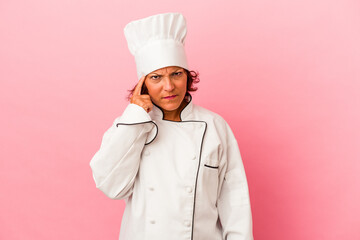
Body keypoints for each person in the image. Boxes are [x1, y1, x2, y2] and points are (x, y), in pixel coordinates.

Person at [90, 12, 254, 240]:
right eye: (156, 77)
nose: (169, 86)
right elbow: (111, 186)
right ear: (142, 84)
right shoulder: (130, 126)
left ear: (188, 76)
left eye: (176, 74)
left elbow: (235, 201)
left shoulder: (215, 126)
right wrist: (136, 115)